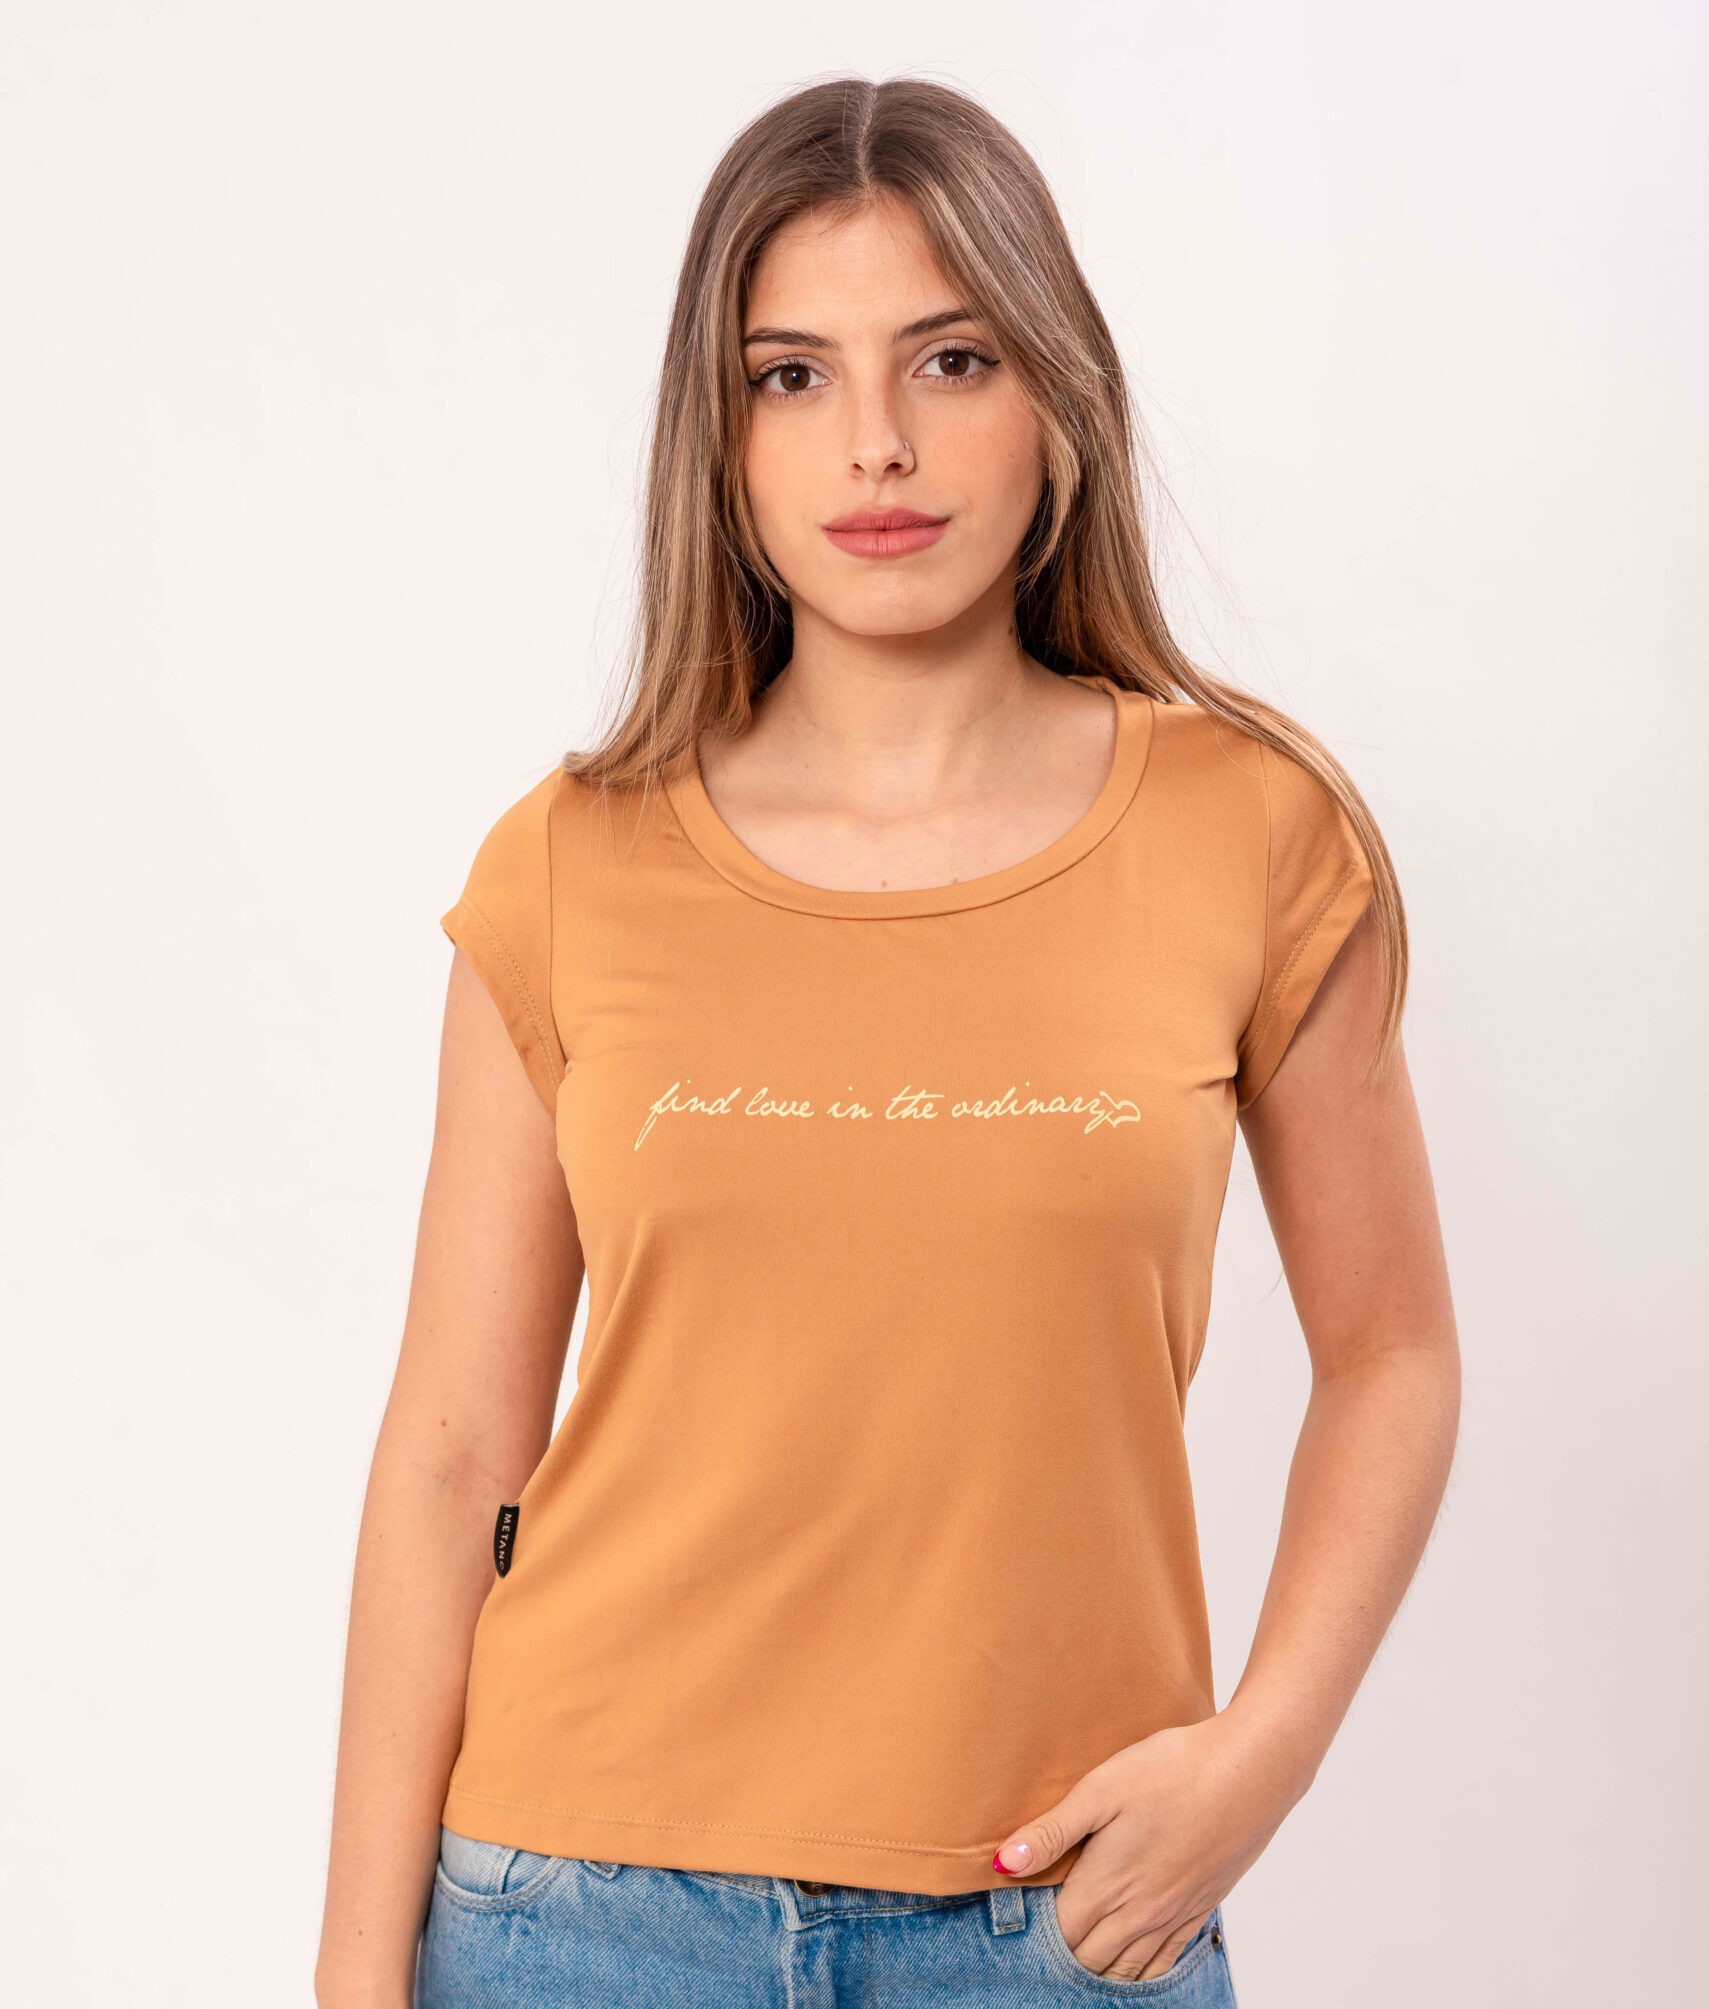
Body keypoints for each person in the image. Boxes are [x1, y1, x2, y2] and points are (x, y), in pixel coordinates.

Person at [315, 74, 1460, 2009]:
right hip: (576, 1915)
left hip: (1061, 1919)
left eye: (950, 358)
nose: (875, 443)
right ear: (721, 440)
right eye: (791, 375)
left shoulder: (1253, 832)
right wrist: (355, 1980)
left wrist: (1258, 1757)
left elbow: (1393, 1355)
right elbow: (449, 1455)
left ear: (1055, 396)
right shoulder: (571, 861)